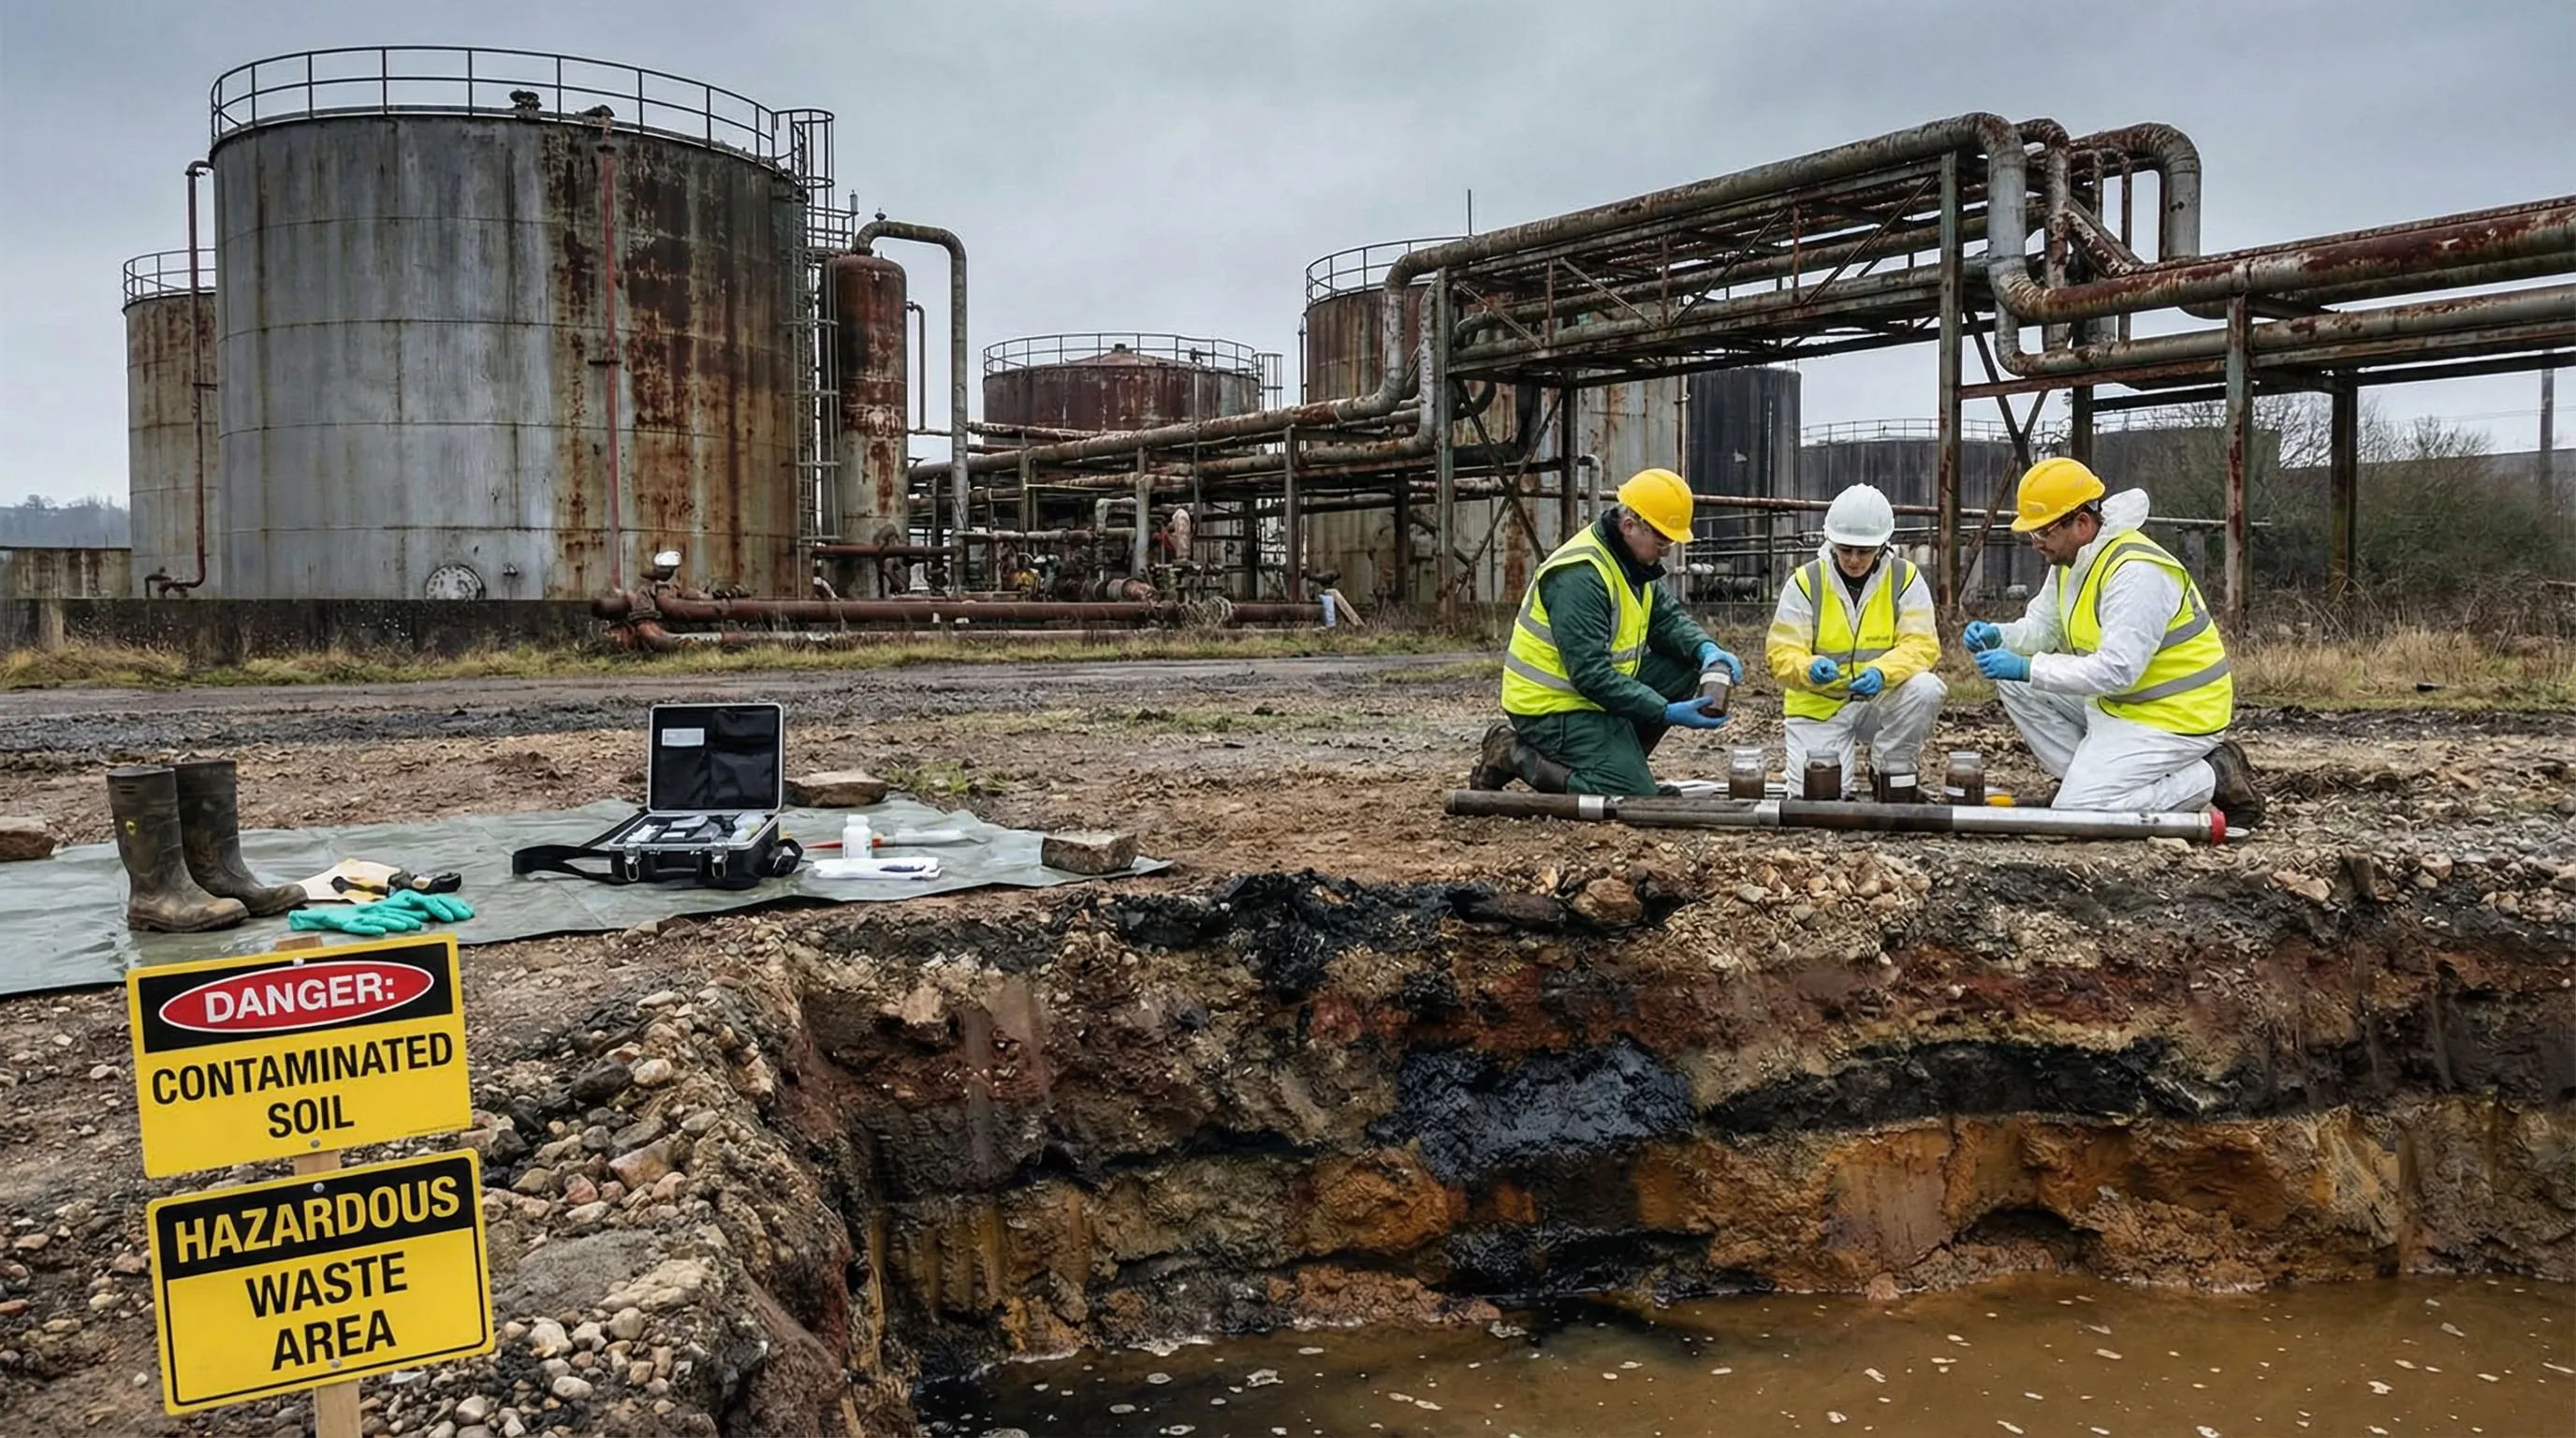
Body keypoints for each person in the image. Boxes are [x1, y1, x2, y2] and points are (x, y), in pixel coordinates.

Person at [1965, 457, 2262, 824]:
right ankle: (2091, 784)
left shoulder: (2135, 572)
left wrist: (2030, 667)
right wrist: (2001, 635)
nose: (2036, 544)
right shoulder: (2072, 562)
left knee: (2077, 811)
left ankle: (2210, 776)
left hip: (2174, 715)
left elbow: (2118, 670)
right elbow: (2042, 629)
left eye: (2043, 532)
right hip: (2122, 702)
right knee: (2015, 683)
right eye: (2032, 534)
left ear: (2081, 524)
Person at [1469, 468, 1744, 797]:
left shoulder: (1632, 563)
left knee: (1689, 666)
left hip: (1592, 695)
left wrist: (1706, 650)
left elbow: (1667, 621)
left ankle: (1618, 761)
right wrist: (1662, 710)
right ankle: (1513, 753)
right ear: (1629, 526)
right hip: (1552, 707)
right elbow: (1591, 675)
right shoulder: (1580, 576)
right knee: (1632, 795)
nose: (1667, 549)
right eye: (1662, 539)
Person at [1764, 484, 1945, 797]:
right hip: (1820, 706)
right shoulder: (1806, 582)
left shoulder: (1904, 578)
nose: (1853, 560)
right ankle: (1839, 779)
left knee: (1926, 689)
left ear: (1882, 546)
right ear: (1831, 542)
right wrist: (1808, 667)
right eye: (1845, 549)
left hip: (1879, 700)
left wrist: (1882, 672)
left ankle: (1888, 768)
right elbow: (1781, 651)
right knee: (1818, 799)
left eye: (1864, 551)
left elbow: (1921, 644)